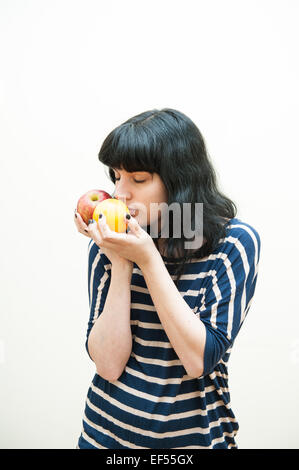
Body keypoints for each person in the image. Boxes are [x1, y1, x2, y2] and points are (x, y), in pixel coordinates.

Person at [74, 108, 261, 449]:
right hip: (104, 438)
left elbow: (197, 360)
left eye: (138, 179)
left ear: (180, 182)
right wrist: (121, 263)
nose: (120, 193)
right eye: (116, 176)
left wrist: (148, 261)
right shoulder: (110, 244)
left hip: (195, 441)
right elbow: (108, 365)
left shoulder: (234, 243)